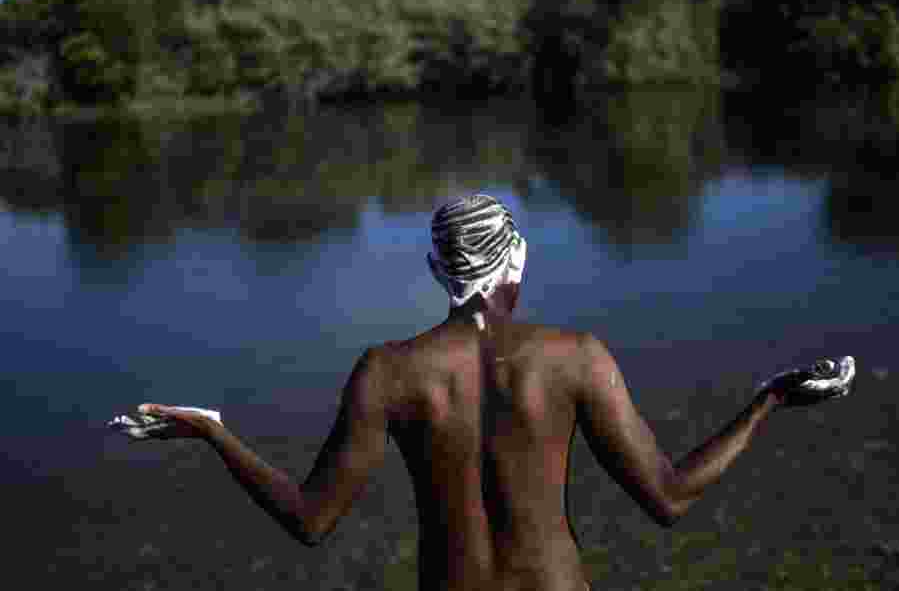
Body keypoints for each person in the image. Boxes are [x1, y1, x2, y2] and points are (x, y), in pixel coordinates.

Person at [127, 193, 851, 591]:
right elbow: (669, 497)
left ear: (438, 272)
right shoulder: (574, 358)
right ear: (517, 262)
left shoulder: (389, 371)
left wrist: (214, 432)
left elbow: (311, 520)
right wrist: (770, 401)